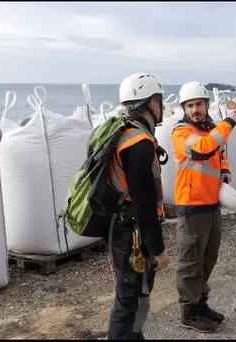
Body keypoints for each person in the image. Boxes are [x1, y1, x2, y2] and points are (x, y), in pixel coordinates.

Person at [171, 81, 236, 333]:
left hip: (212, 203)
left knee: (208, 257)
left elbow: (219, 154)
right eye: (190, 106)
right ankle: (188, 312)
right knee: (190, 261)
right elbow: (201, 151)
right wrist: (229, 123)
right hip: (191, 206)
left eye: (199, 104)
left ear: (206, 104)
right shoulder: (181, 132)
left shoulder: (211, 130)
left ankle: (201, 304)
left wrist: (225, 170)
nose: (195, 109)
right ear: (184, 108)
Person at [107, 72, 171, 340]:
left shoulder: (122, 133)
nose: (162, 106)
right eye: (160, 101)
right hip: (132, 235)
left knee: (133, 297)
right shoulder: (139, 144)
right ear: (152, 103)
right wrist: (159, 251)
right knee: (129, 300)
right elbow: (144, 205)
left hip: (119, 229)